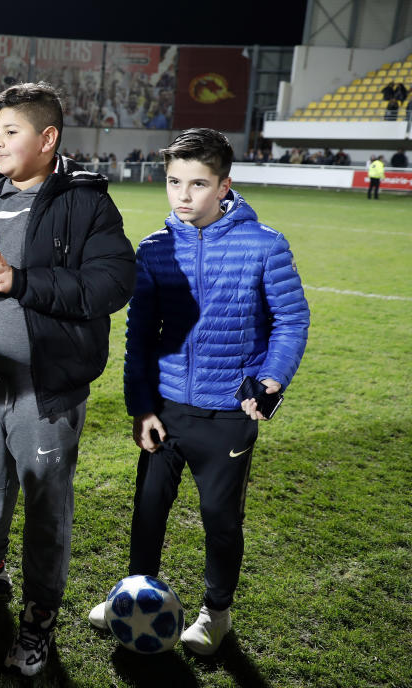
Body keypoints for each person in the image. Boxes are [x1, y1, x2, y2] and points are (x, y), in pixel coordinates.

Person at [0, 82, 135, 676]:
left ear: (48, 139)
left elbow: (111, 285)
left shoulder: (86, 202)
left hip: (46, 385)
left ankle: (39, 618)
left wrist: (21, 282)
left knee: (45, 503)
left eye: (10, 131)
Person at [87, 128, 310, 655]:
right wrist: (141, 407)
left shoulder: (265, 245)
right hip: (165, 409)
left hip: (229, 414)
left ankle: (217, 613)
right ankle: (136, 597)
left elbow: (292, 320)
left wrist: (273, 379)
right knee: (147, 510)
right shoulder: (156, 249)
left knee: (219, 517)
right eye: (173, 182)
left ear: (224, 185)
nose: (183, 196)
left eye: (197, 184)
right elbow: (138, 336)